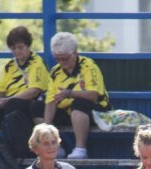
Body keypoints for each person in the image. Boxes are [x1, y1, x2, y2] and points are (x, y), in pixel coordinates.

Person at [32, 32, 111, 160]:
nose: (62, 62)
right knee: (36, 107)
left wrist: (69, 93)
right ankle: (55, 145)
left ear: (75, 53)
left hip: (95, 111)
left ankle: (80, 148)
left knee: (78, 103)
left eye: (65, 58)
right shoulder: (55, 72)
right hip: (68, 112)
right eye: (58, 59)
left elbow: (93, 95)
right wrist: (47, 127)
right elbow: (51, 101)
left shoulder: (88, 66)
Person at [0, 26, 49, 143]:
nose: (17, 51)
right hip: (9, 108)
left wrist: (8, 100)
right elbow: (1, 91)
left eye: (20, 47)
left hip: (28, 109)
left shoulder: (37, 63)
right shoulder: (10, 66)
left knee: (13, 104)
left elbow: (34, 91)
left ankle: (12, 144)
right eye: (13, 48)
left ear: (28, 46)